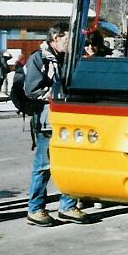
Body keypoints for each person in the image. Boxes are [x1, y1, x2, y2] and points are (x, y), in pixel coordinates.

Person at [24, 22, 92, 226]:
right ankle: (35, 209)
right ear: (56, 38)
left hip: (69, 119)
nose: (71, 42)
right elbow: (31, 89)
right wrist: (54, 94)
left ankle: (68, 205)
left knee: (71, 162)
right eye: (67, 38)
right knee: (43, 165)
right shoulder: (39, 58)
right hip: (48, 119)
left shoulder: (69, 59)